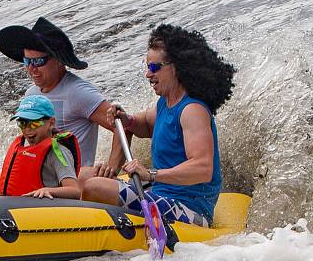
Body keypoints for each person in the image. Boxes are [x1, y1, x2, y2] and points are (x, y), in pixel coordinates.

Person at [81, 24, 235, 227]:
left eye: (154, 68)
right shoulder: (166, 103)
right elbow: (144, 124)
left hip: (190, 209)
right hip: (160, 193)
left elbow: (202, 168)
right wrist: (126, 120)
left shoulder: (192, 111)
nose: (148, 74)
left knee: (95, 187)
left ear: (177, 67)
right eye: (147, 67)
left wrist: (150, 174)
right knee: (85, 175)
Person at [0, 17, 124, 177]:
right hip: (45, 177)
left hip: (77, 178)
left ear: (58, 61)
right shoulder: (31, 95)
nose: (31, 68)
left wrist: (112, 170)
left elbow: (122, 126)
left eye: (38, 61)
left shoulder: (79, 92)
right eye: (27, 61)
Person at [0, 95, 81, 199]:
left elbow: (75, 191)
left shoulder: (58, 152)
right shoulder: (19, 145)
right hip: (12, 206)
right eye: (23, 123)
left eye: (34, 123)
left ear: (51, 123)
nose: (27, 129)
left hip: (42, 209)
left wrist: (48, 190)